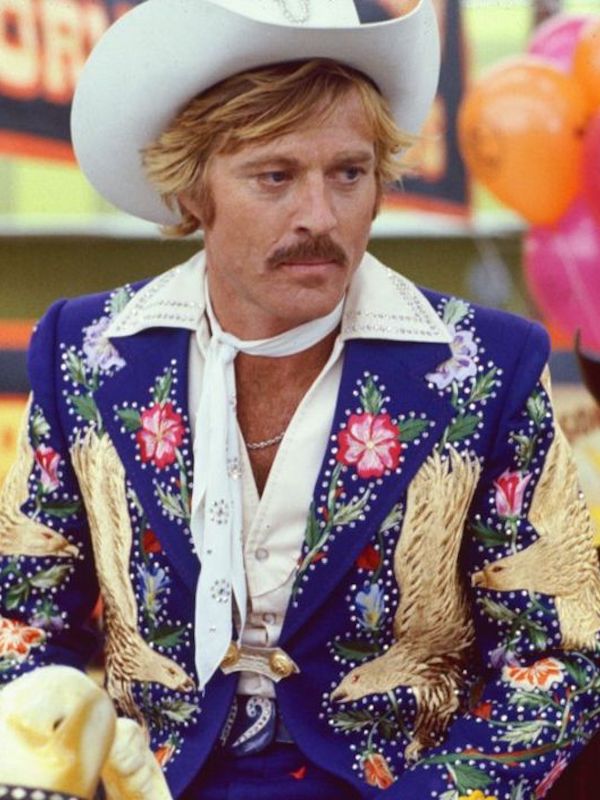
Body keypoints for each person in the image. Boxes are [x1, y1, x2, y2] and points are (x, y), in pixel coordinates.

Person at [1, 1, 599, 798]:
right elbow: (23, 619)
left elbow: (556, 652)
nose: (320, 217)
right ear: (193, 192)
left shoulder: (489, 362)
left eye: (348, 173)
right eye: (275, 176)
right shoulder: (85, 353)